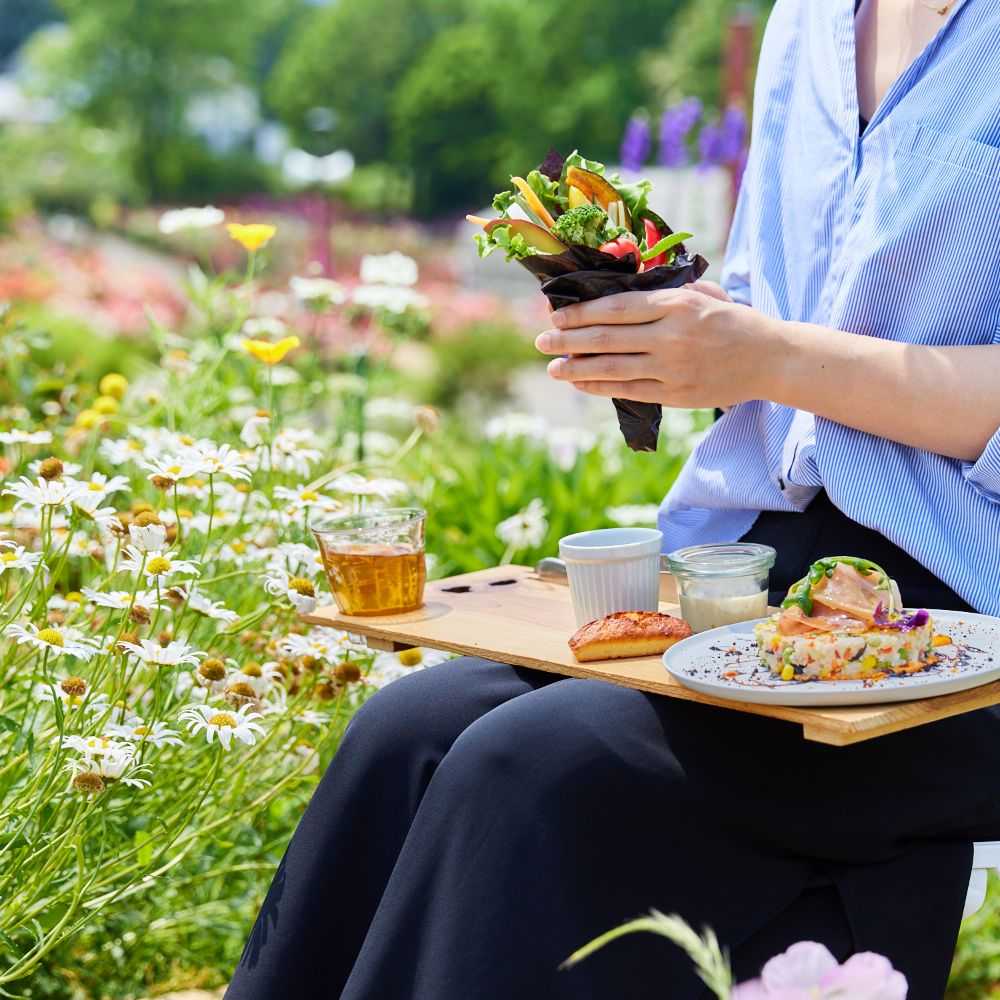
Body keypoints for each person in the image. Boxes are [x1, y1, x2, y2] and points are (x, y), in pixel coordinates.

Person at [226, 1, 1000, 997]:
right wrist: (655, 341)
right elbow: (769, 317)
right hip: (759, 570)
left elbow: (788, 353)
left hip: (963, 600)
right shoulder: (807, 21)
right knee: (408, 732)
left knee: (528, 765)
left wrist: (769, 355)